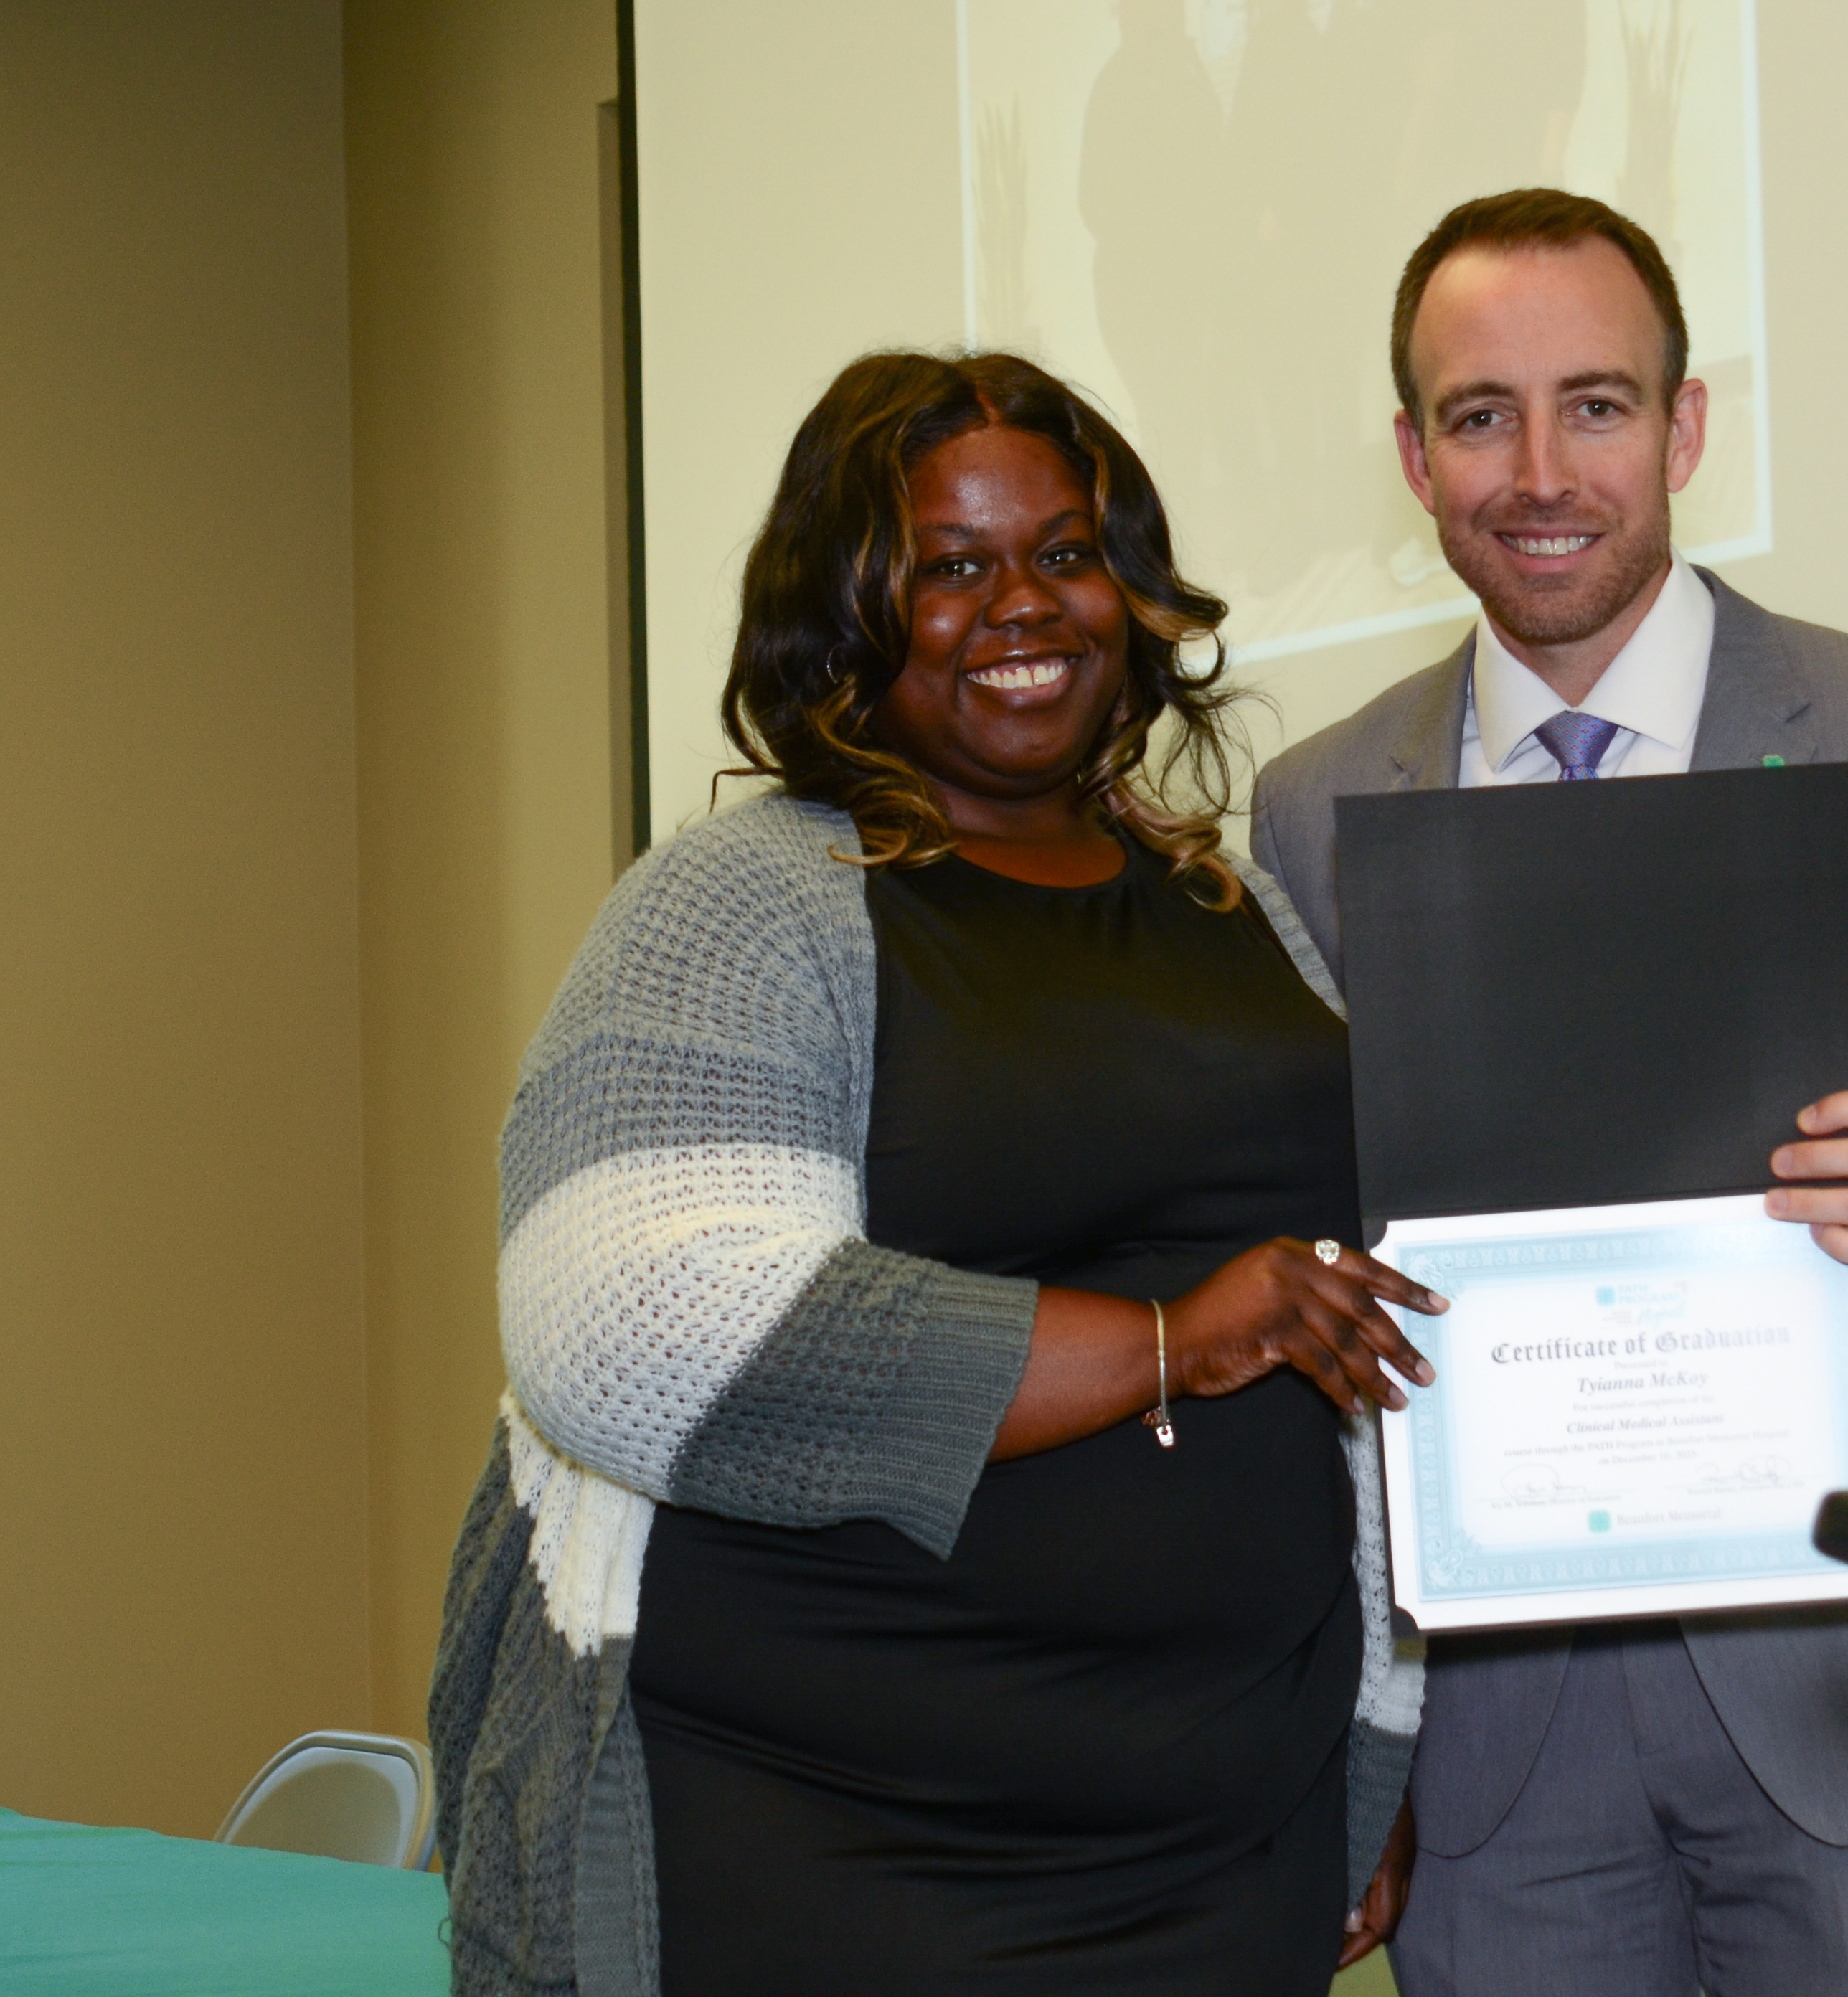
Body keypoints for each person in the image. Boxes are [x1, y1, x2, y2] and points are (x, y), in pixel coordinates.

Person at [429, 350, 1441, 1997]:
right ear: (848, 616)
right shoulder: (741, 903)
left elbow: (1375, 1320)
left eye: (1061, 553)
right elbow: (625, 1326)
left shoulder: (1234, 906)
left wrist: (1376, 1745)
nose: (1021, 606)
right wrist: (1176, 1342)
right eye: (950, 567)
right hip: (840, 1851)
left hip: (1217, 1858)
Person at [1250, 190, 1848, 1996]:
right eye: (1476, 415)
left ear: (1681, 427)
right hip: (1488, 1737)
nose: (1538, 470)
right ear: (1412, 460)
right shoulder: (1309, 810)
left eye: (1593, 405)